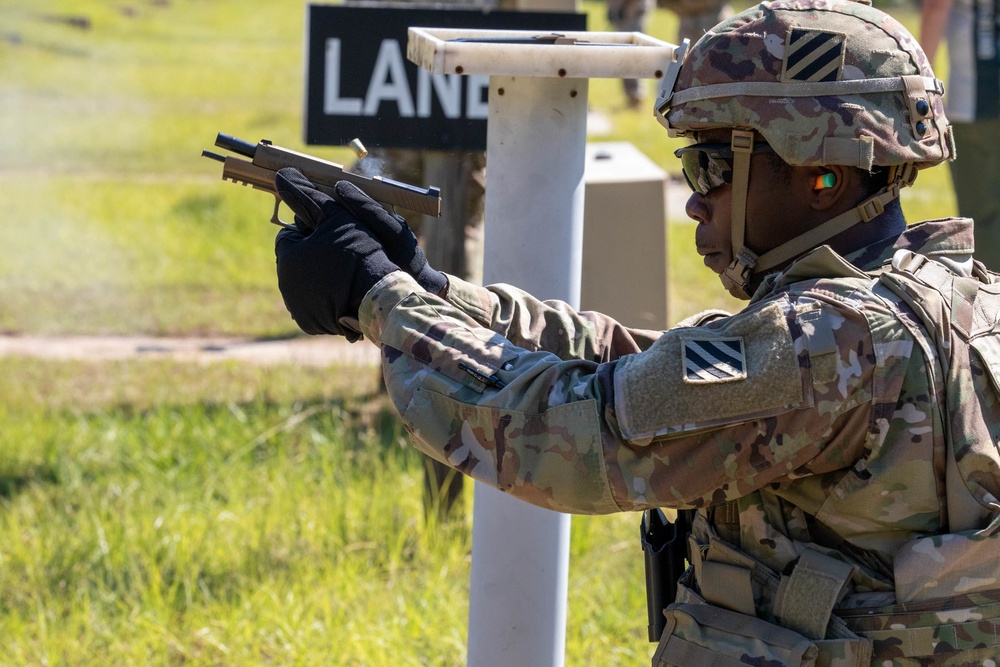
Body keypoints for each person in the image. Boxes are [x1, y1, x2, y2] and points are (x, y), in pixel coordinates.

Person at [271, 0, 1000, 662]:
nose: (695, 202)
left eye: (713, 165)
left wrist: (379, 299)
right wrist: (435, 291)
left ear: (824, 178)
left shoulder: (825, 342)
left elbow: (570, 434)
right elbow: (641, 364)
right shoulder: (951, 298)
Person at [920, 0, 1000, 271]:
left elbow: (937, 6)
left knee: (982, 216)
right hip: (980, 101)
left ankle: (992, 304)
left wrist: (920, 86)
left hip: (978, 100)